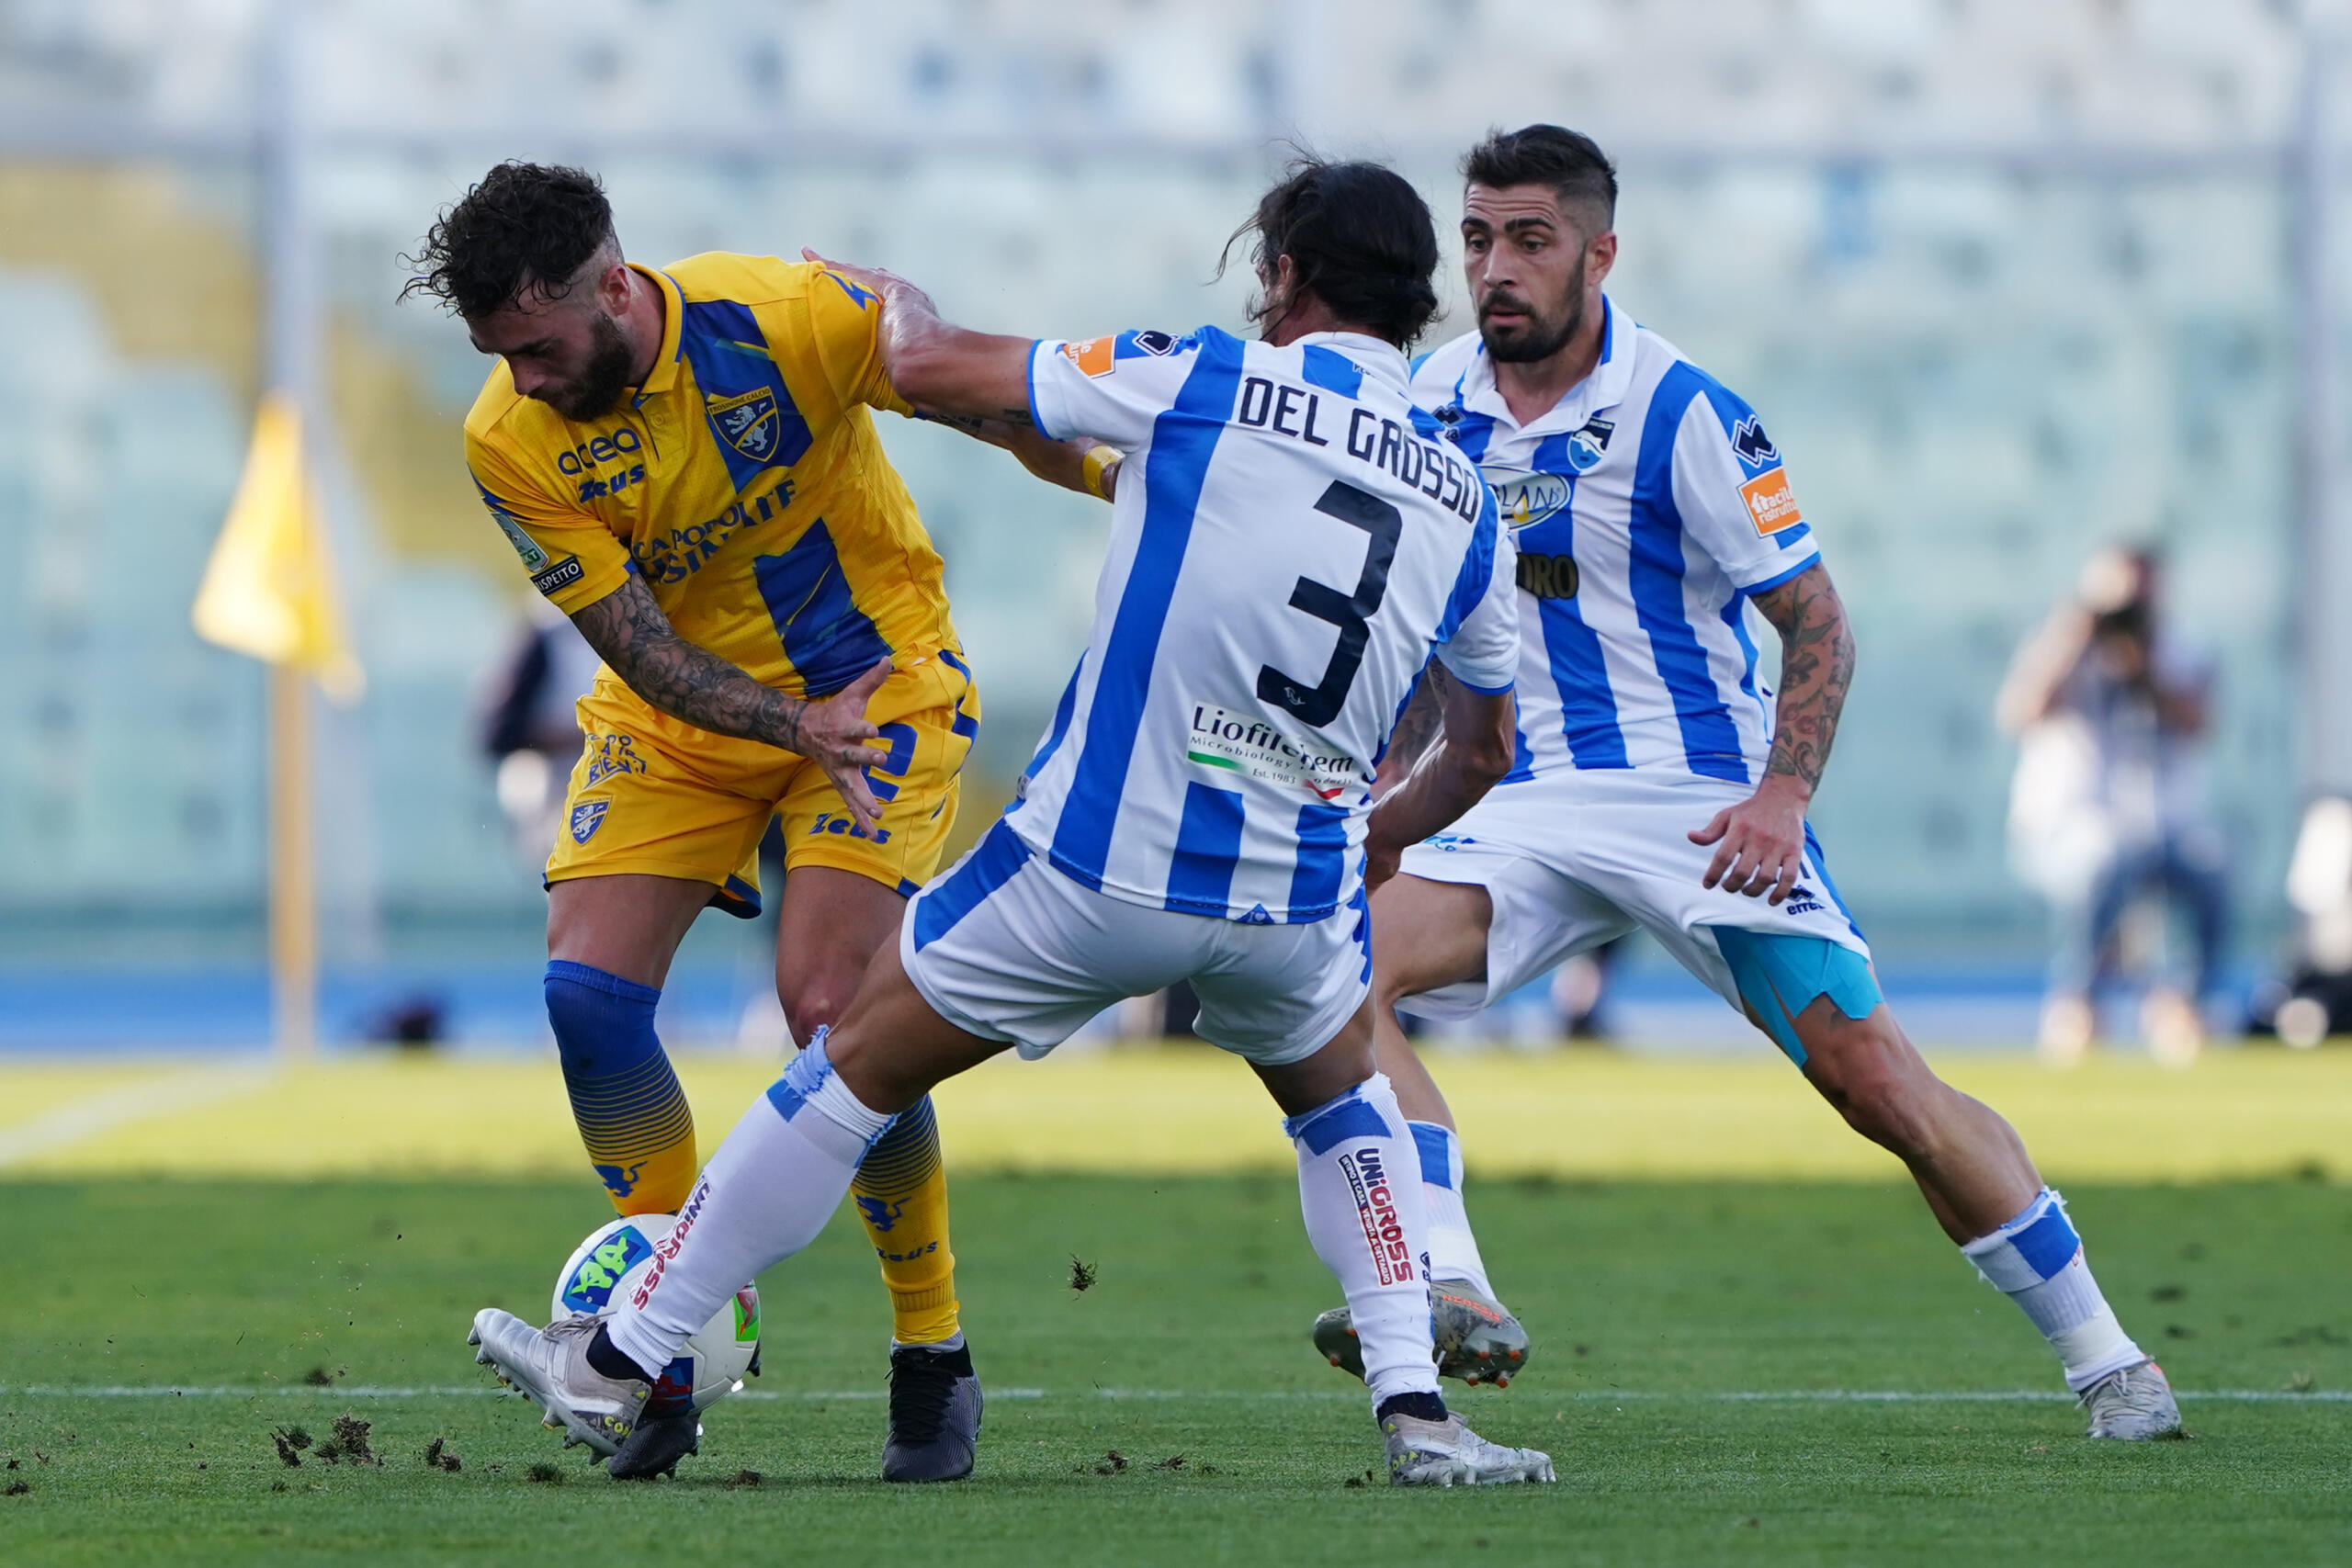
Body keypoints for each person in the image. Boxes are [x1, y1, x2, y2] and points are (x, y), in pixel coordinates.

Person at [466, 157, 1556, 1487]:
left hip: (1095, 866)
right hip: (1292, 898)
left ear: (1281, 276)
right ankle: (1421, 1415)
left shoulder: (1201, 376)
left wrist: (888, 301)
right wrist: (1373, 839)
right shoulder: (1463, 500)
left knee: (846, 1059)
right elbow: (1485, 742)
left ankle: (624, 1351)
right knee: (1346, 1109)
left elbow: (929, 367)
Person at [1306, 126, 2182, 1440]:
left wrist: (1781, 797)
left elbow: (1818, 618)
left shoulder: (1684, 411)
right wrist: (1393, 766)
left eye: (1531, 239)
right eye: (1480, 236)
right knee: (1330, 970)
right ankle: (1452, 1279)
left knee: (1876, 1081)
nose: (1498, 267)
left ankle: (2109, 1356)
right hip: (1519, 796)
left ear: (1601, 252)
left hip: (1695, 797)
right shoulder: (1432, 404)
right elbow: (1440, 624)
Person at [402, 163, 1105, 1481]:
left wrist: (1123, 479)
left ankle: (931, 1350)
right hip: (687, 718)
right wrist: (781, 730)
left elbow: (964, 383)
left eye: (542, 347)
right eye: (503, 356)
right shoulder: (508, 436)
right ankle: (658, 1345)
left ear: (614, 285)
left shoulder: (782, 317)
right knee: (587, 994)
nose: (528, 379)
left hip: (873, 682)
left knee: (838, 1016)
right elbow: (643, 647)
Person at [1996, 546, 2226, 1066]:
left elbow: (2199, 723)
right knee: (2105, 861)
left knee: (2212, 871)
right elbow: (2022, 711)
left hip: (2160, 821)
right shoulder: (2060, 642)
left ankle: (2183, 1003)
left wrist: (2143, 669)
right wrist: (2078, 636)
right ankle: (2078, 1003)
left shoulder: (2181, 647)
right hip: (2066, 822)